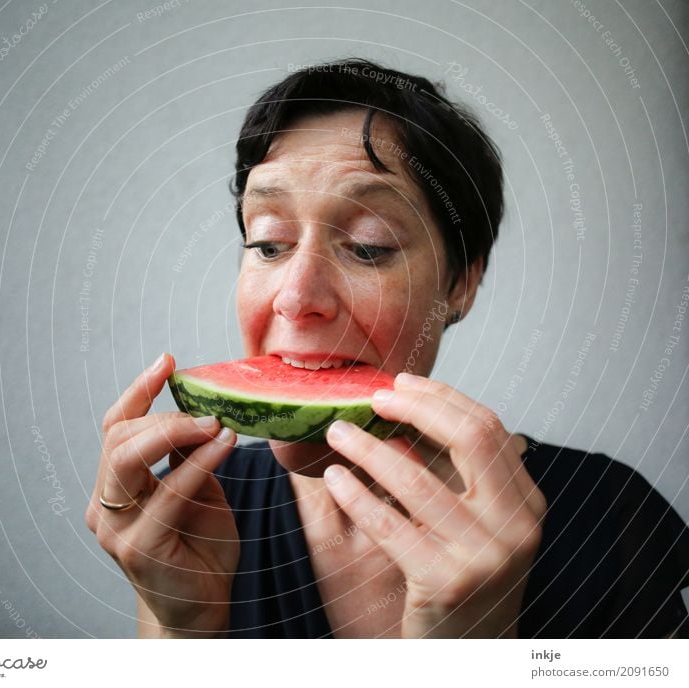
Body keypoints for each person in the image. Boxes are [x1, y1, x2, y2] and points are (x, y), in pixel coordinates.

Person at [85, 59, 689, 638]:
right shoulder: (198, 509)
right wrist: (183, 630)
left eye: (368, 246)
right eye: (268, 243)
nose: (295, 298)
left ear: (461, 283)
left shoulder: (610, 520)